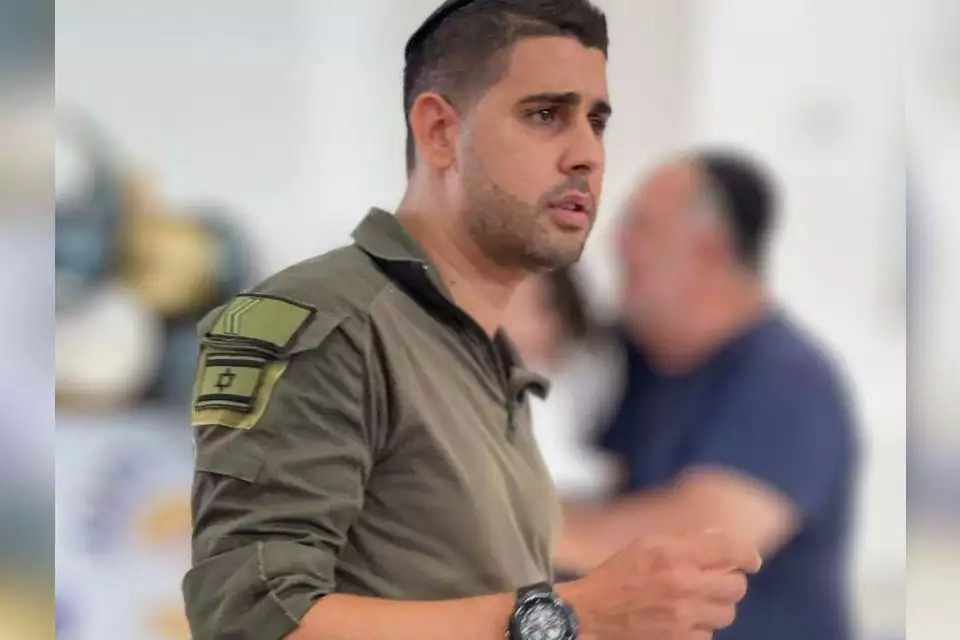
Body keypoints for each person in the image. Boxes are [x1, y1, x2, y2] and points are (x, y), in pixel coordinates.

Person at [182, 3, 761, 640]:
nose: (587, 155)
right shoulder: (329, 325)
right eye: (546, 115)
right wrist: (577, 614)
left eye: (596, 122)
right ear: (438, 132)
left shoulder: (484, 354)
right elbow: (252, 619)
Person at [554, 150, 858, 640]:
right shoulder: (638, 357)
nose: (617, 242)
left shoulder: (788, 382)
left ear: (711, 254)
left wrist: (505, 527)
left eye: (642, 227)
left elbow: (694, 537)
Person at [501, 267, 620, 501]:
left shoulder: (576, 379)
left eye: (521, 310)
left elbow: (559, 474)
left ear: (555, 321)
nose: (503, 322)